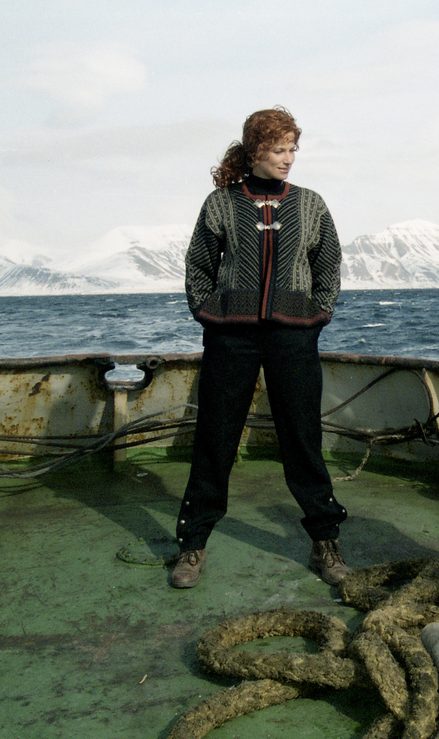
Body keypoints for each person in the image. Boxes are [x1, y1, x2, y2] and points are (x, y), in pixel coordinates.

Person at [171, 107, 348, 589]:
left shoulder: (310, 203)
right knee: (215, 438)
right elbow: (198, 268)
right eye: (278, 149)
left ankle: (325, 542)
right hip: (232, 336)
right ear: (254, 152)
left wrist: (316, 316)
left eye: (293, 148)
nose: (288, 158)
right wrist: (212, 314)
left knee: (302, 437)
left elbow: (329, 265)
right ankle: (192, 544)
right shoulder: (222, 203)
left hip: (294, 335)